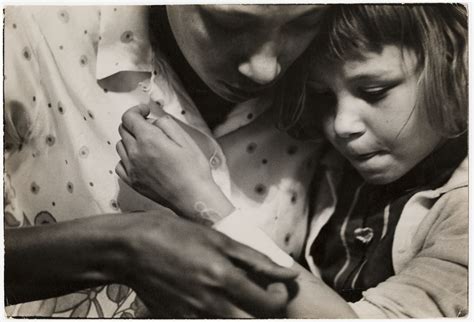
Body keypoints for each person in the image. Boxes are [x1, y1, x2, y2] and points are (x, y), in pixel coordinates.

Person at [117, 4, 468, 318]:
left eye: (373, 91)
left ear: (453, 62)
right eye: (323, 96)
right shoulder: (333, 168)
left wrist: (198, 197)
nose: (342, 125)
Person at [4, 5, 326, 318]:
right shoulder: (33, 26)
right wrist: (118, 249)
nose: (266, 69)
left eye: (304, 23)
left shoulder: (327, 85)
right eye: (230, 25)